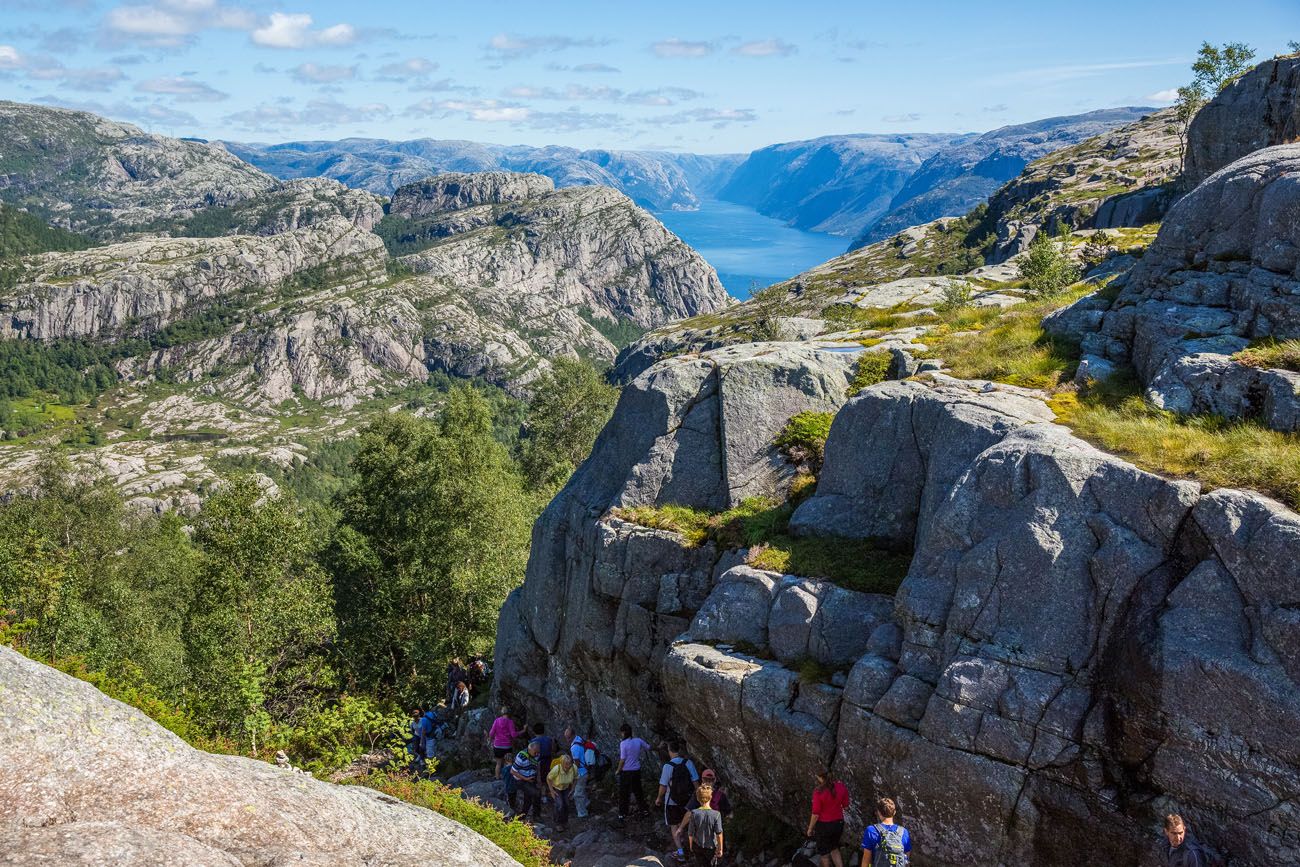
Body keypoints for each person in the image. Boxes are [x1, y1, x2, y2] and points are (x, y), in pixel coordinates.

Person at [656, 739, 699, 863]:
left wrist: (659, 798)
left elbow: (663, 786)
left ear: (669, 751)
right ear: (679, 750)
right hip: (687, 801)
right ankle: (693, 850)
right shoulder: (688, 763)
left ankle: (681, 853)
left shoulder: (668, 766)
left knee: (674, 827)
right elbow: (695, 781)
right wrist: (699, 798)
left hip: (672, 802)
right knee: (688, 824)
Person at [806, 770, 850, 867]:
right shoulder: (841, 786)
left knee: (824, 855)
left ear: (821, 777)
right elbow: (846, 806)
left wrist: (810, 829)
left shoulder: (818, 792)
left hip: (824, 826)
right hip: (838, 823)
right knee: (834, 848)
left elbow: (816, 813)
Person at [676, 783, 724, 866]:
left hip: (697, 846)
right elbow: (719, 833)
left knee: (700, 864)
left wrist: (691, 845)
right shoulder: (716, 814)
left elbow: (690, 832)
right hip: (711, 847)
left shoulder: (694, 813)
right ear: (710, 797)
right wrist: (720, 848)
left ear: (698, 799)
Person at [861, 797, 910, 866]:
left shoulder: (871, 830)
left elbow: (866, 859)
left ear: (879, 812)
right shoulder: (904, 832)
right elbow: (906, 860)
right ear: (894, 812)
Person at [617, 723, 652, 820]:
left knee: (624, 793)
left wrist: (618, 770)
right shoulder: (638, 740)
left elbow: (622, 759)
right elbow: (649, 747)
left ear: (623, 732)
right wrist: (659, 747)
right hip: (636, 771)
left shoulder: (623, 744)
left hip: (626, 772)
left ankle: (622, 813)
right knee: (638, 791)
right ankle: (644, 810)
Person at [510, 741, 542, 822]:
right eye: (535, 752)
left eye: (538, 752)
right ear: (529, 749)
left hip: (531, 777)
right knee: (536, 794)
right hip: (521, 779)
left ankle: (523, 816)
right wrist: (526, 779)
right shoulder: (521, 757)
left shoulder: (537, 754)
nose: (536, 754)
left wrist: (538, 779)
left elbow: (537, 766)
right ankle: (535, 815)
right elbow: (513, 771)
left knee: (529, 797)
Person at [487, 707, 522, 779]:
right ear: (509, 713)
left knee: (498, 763)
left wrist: (491, 739)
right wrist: (522, 731)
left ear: (501, 713)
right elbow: (513, 735)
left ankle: (497, 777)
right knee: (508, 763)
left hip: (497, 746)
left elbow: (491, 733)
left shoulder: (496, 721)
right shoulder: (510, 722)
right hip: (507, 747)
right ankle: (507, 778)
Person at [548, 752, 578, 830]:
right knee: (560, 805)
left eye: (569, 765)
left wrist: (573, 789)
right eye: (566, 765)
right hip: (556, 788)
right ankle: (558, 823)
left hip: (566, 788)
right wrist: (551, 791)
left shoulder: (574, 768)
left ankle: (565, 822)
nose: (568, 767)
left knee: (567, 804)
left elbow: (576, 778)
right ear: (562, 764)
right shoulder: (556, 769)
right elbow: (548, 779)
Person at [565, 726, 591, 819]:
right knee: (581, 789)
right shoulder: (580, 739)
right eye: (566, 737)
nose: (567, 739)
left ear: (572, 735)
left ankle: (582, 813)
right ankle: (586, 803)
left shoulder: (574, 747)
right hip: (586, 769)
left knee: (577, 795)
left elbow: (577, 763)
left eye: (568, 737)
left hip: (581, 772)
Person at [529, 723, 554, 802]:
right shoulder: (549, 739)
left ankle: (542, 796)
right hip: (549, 760)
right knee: (548, 778)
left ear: (534, 731)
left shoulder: (533, 741)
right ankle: (549, 794)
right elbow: (553, 749)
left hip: (538, 761)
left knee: (540, 779)